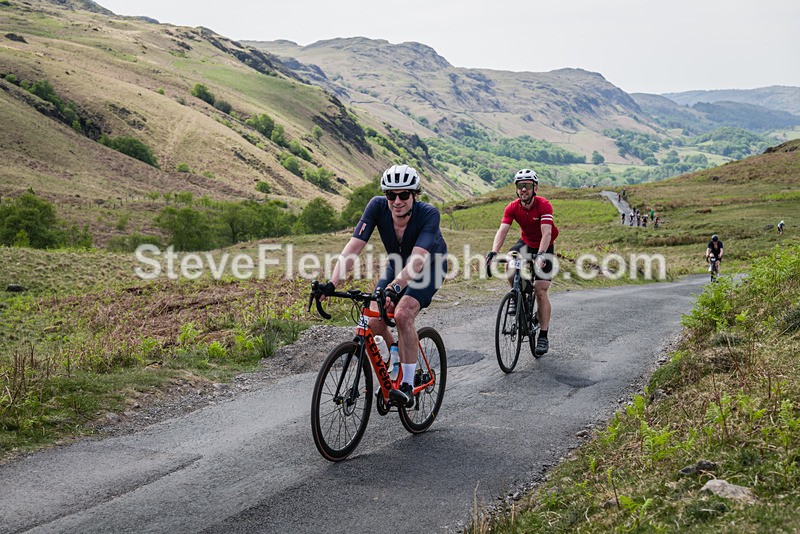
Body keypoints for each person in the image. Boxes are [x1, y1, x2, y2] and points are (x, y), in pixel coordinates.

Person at [321, 164, 448, 408]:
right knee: (373, 318)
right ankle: (397, 351)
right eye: (391, 195)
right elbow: (353, 247)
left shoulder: (429, 214)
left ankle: (408, 385)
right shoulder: (376, 206)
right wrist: (331, 282)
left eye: (403, 195)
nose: (397, 201)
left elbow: (418, 260)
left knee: (402, 314)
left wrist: (396, 287)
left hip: (430, 265)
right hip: (398, 264)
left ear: (414, 195)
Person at [485, 169, 559, 356]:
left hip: (544, 245)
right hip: (525, 243)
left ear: (535, 188)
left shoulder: (544, 205)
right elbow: (502, 231)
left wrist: (541, 255)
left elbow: (547, 233)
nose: (523, 190)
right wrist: (494, 252)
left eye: (527, 186)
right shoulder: (512, 207)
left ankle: (543, 335)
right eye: (520, 186)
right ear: (516, 189)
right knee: (510, 261)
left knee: (541, 290)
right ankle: (518, 295)